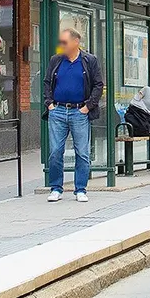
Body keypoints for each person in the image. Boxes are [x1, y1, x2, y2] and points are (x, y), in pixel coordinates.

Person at [43, 27, 104, 202]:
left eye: (65, 42)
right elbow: (47, 82)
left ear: (76, 42)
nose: (61, 45)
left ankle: (80, 189)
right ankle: (56, 188)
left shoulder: (89, 60)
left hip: (79, 111)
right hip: (58, 111)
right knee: (55, 151)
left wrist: (87, 107)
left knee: (82, 152)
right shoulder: (56, 60)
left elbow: (98, 85)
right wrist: (50, 104)